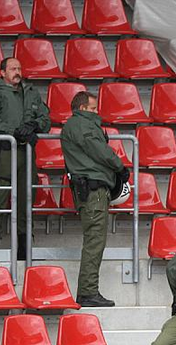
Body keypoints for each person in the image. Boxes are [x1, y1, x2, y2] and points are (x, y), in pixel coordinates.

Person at [60, 91, 127, 307]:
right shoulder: (83, 125)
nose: (96, 112)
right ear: (82, 108)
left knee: (94, 240)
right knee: (95, 241)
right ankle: (88, 292)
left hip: (89, 188)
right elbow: (100, 150)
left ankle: (88, 291)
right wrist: (119, 166)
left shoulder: (75, 125)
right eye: (92, 108)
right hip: (93, 190)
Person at [0, 56, 50, 258]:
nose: (17, 72)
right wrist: (15, 131)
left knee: (25, 199)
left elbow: (46, 119)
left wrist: (34, 125)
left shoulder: (31, 92)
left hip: (26, 153)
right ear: (2, 72)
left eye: (19, 68)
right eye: (13, 69)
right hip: (3, 152)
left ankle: (23, 251)